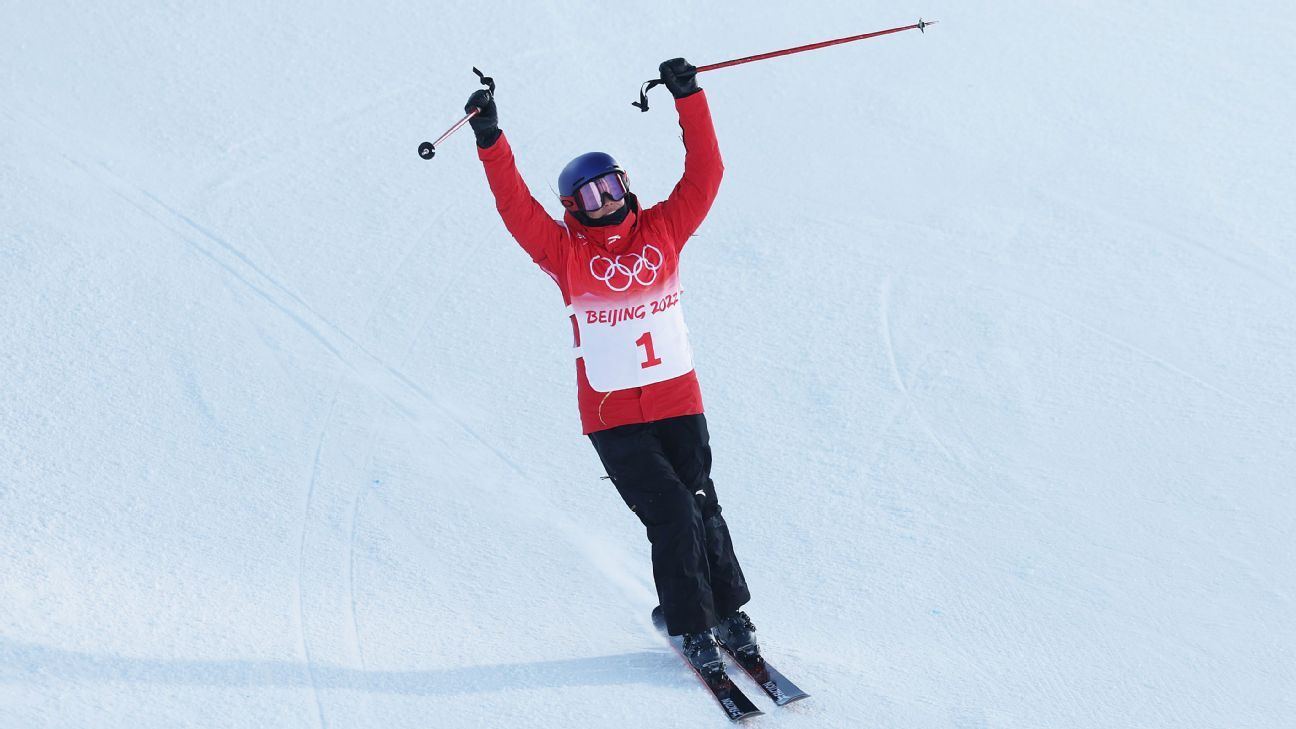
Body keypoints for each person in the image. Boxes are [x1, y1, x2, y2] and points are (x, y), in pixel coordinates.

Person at [466, 58, 757, 675]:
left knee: (701, 499)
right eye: (589, 197)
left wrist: (689, 97)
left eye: (611, 187)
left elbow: (707, 173)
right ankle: (691, 627)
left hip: (679, 399)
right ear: (574, 207)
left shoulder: (664, 229)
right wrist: (491, 140)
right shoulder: (564, 254)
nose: (604, 203)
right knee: (671, 512)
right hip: (612, 415)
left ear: (626, 185)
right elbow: (514, 206)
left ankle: (730, 614)